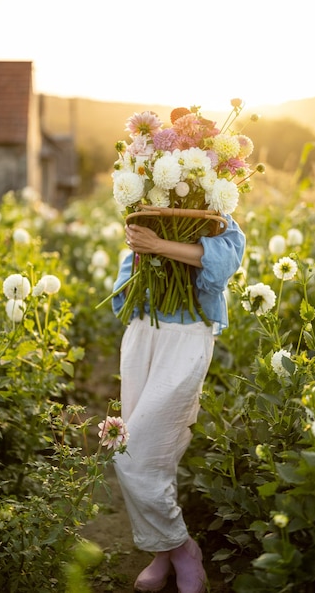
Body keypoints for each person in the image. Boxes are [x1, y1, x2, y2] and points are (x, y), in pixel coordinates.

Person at [111, 214, 245, 593]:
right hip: (142, 327)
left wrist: (159, 246)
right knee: (150, 455)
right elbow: (132, 263)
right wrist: (138, 243)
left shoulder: (214, 203)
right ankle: (166, 549)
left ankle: (182, 548)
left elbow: (224, 261)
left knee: (136, 449)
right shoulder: (151, 199)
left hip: (187, 333)